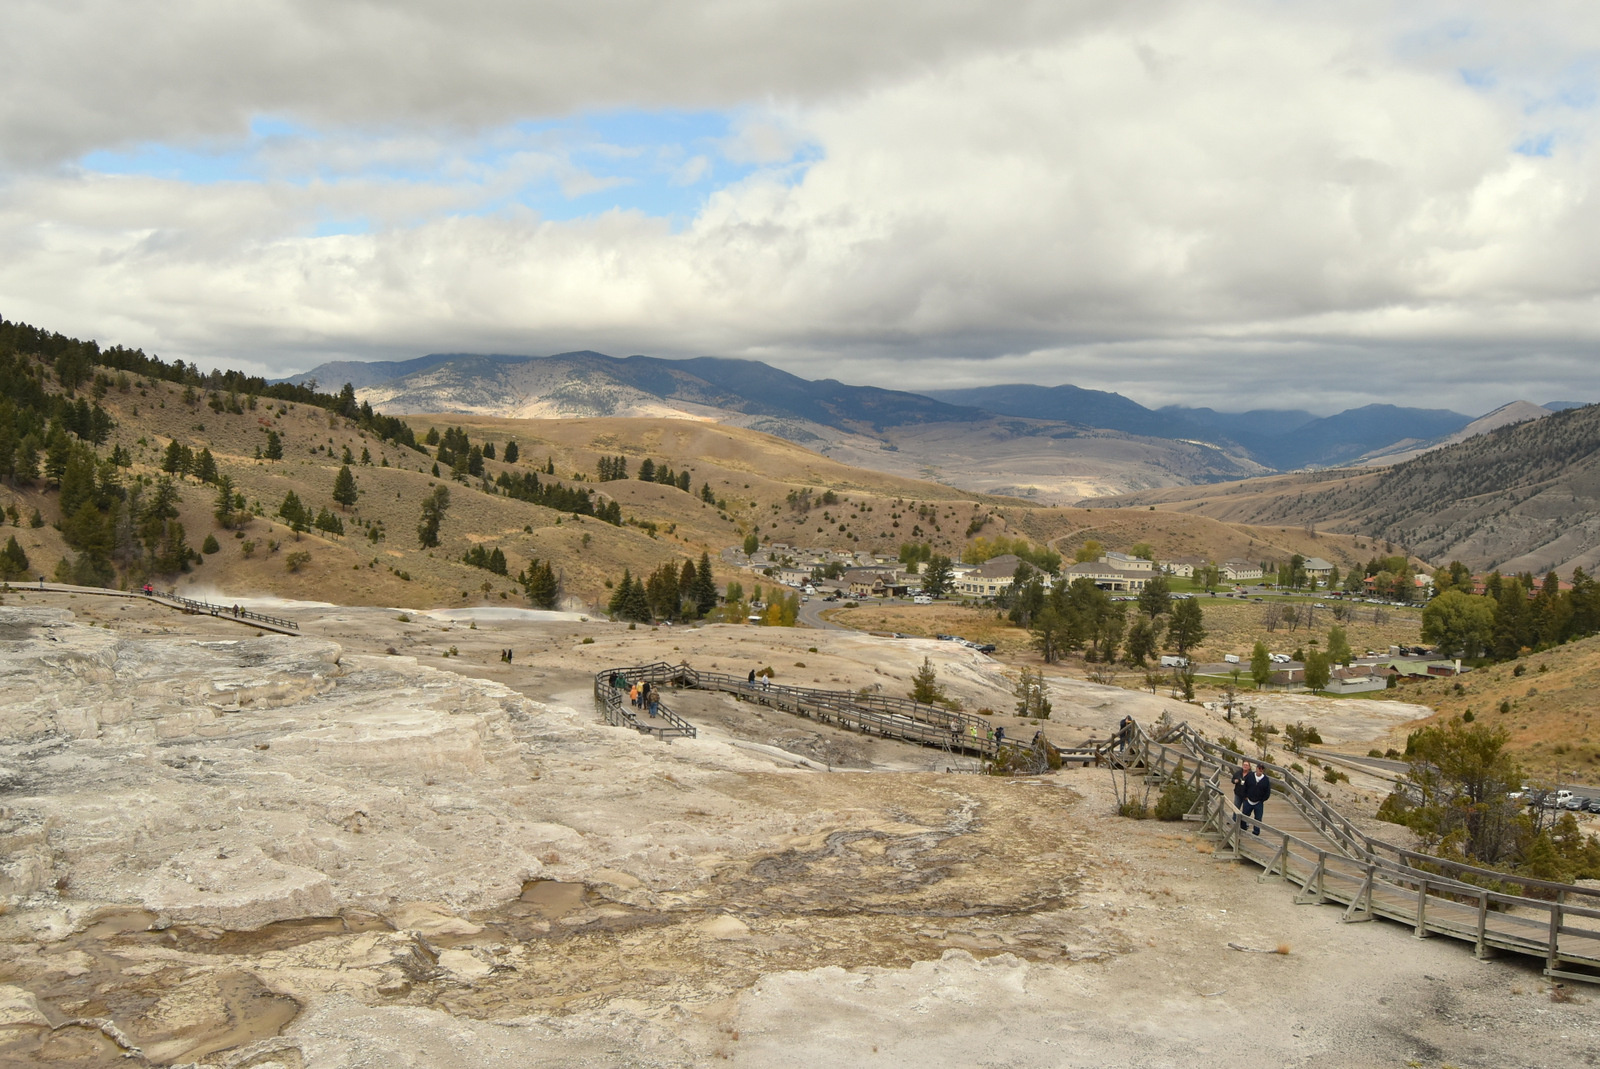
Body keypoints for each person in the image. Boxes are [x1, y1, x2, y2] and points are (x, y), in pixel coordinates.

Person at [1241, 762, 1272, 836]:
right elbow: (1244, 786)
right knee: (1244, 816)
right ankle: (1242, 828)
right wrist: (1245, 796)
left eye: (1262, 769)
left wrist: (1262, 800)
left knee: (1258, 818)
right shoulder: (1250, 776)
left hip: (1258, 802)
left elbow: (1267, 792)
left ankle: (1256, 832)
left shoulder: (1266, 780)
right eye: (1259, 768)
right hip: (1248, 800)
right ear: (1256, 768)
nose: (1260, 770)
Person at [1231, 759, 1250, 829]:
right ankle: (1234, 821)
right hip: (1238, 794)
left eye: (1246, 765)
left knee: (1246, 810)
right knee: (1236, 807)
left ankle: (1245, 823)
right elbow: (1232, 780)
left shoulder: (1251, 775)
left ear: (1249, 767)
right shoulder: (1238, 773)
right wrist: (1234, 781)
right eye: (1244, 765)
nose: (1245, 766)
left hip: (1246, 796)